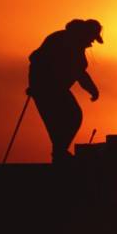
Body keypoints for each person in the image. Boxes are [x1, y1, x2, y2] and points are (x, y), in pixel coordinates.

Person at [27, 19, 103, 163]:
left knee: (66, 119)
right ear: (85, 34)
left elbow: (80, 72)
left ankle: (59, 153)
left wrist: (92, 89)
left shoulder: (73, 44)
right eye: (92, 38)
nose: (91, 43)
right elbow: (36, 59)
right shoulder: (62, 41)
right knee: (71, 117)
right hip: (47, 88)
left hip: (52, 88)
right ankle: (59, 153)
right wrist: (36, 84)